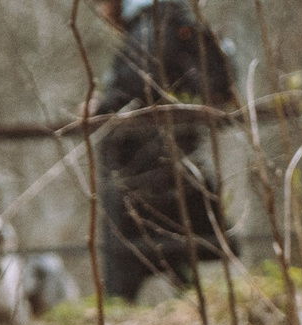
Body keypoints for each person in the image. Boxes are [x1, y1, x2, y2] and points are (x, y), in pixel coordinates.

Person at [90, 0, 237, 302]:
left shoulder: (149, 31)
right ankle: (196, 304)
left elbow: (134, 88)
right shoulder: (173, 24)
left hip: (148, 167)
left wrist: (100, 109)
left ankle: (123, 312)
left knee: (130, 258)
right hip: (176, 160)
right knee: (181, 247)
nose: (99, 11)